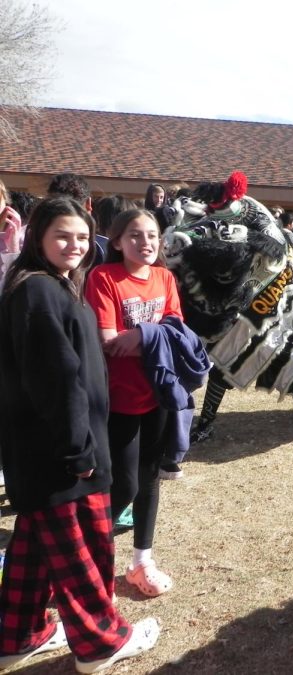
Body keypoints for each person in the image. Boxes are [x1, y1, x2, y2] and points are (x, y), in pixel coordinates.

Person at [0, 197, 159, 672]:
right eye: (62, 236)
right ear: (38, 239)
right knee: (82, 550)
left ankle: (18, 635)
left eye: (83, 237)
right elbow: (58, 379)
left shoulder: (49, 285)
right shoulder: (41, 293)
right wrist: (78, 450)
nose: (75, 245)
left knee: (32, 546)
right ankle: (101, 642)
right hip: (61, 453)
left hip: (44, 452)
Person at [85, 208, 184, 598]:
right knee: (122, 484)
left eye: (152, 235)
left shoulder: (165, 277)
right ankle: (91, 564)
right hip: (119, 400)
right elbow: (108, 340)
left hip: (156, 394)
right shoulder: (103, 277)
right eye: (135, 235)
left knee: (149, 480)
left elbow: (176, 328)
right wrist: (153, 334)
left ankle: (142, 561)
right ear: (117, 241)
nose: (146, 243)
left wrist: (140, 336)